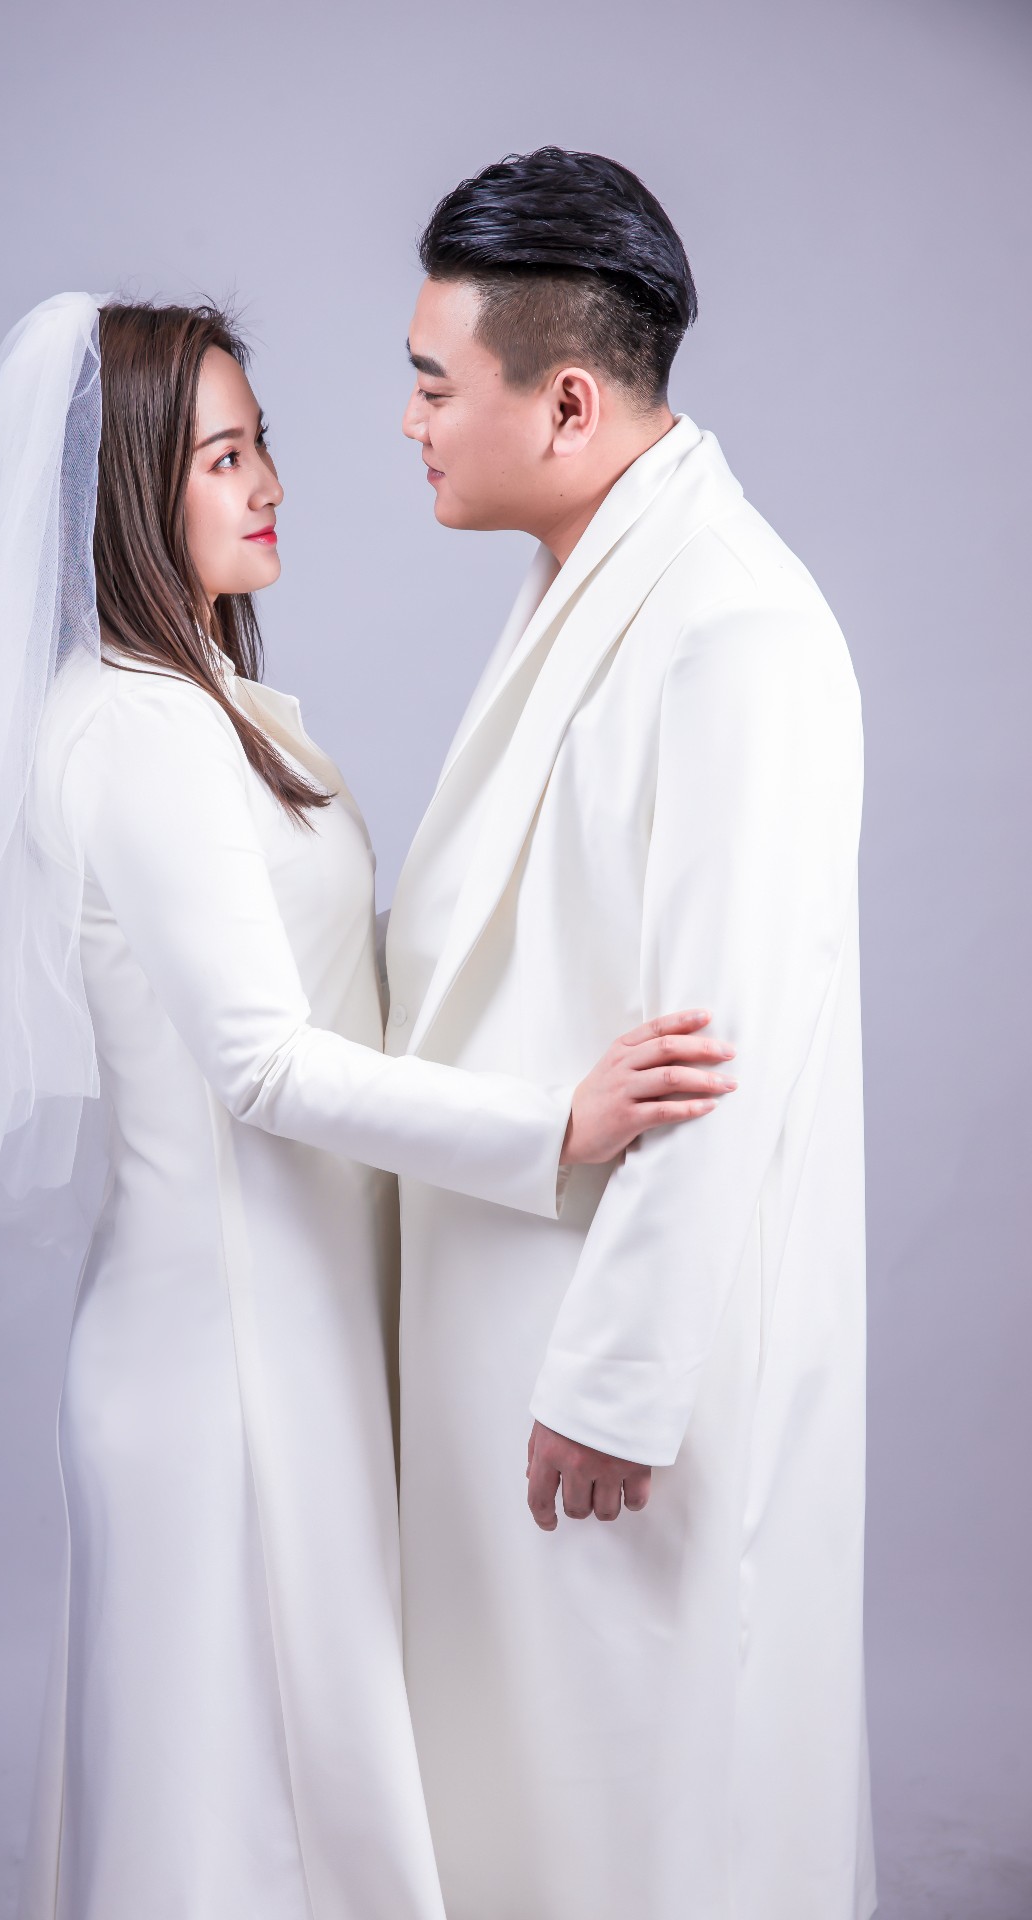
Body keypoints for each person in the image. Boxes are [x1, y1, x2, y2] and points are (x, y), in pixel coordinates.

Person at [0, 292, 736, 1920]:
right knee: (230, 1811)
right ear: (128, 494)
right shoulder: (135, 732)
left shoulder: (204, 702)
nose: (273, 480)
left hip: (287, 1324)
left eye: (261, 441)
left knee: (292, 1788)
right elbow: (266, 1065)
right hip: (214, 1355)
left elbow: (344, 966)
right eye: (223, 457)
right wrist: (552, 1126)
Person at [389, 147, 874, 1920]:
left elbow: (718, 1050)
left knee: (653, 1798)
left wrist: (619, 1381)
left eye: (434, 382)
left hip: (614, 1360)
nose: (409, 422)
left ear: (568, 402)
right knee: (545, 1799)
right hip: (516, 1309)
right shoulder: (596, 574)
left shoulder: (733, 628)